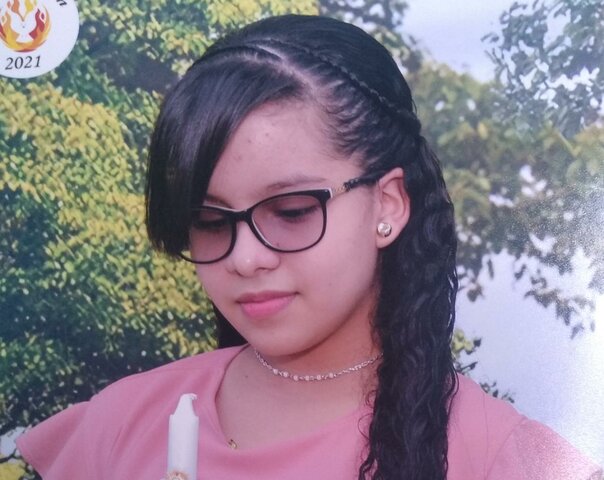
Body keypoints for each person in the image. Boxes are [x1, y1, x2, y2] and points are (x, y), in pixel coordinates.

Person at [16, 14, 602, 480]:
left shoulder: (500, 457)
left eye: (292, 212)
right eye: (210, 222)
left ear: (388, 204)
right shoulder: (123, 425)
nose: (246, 258)